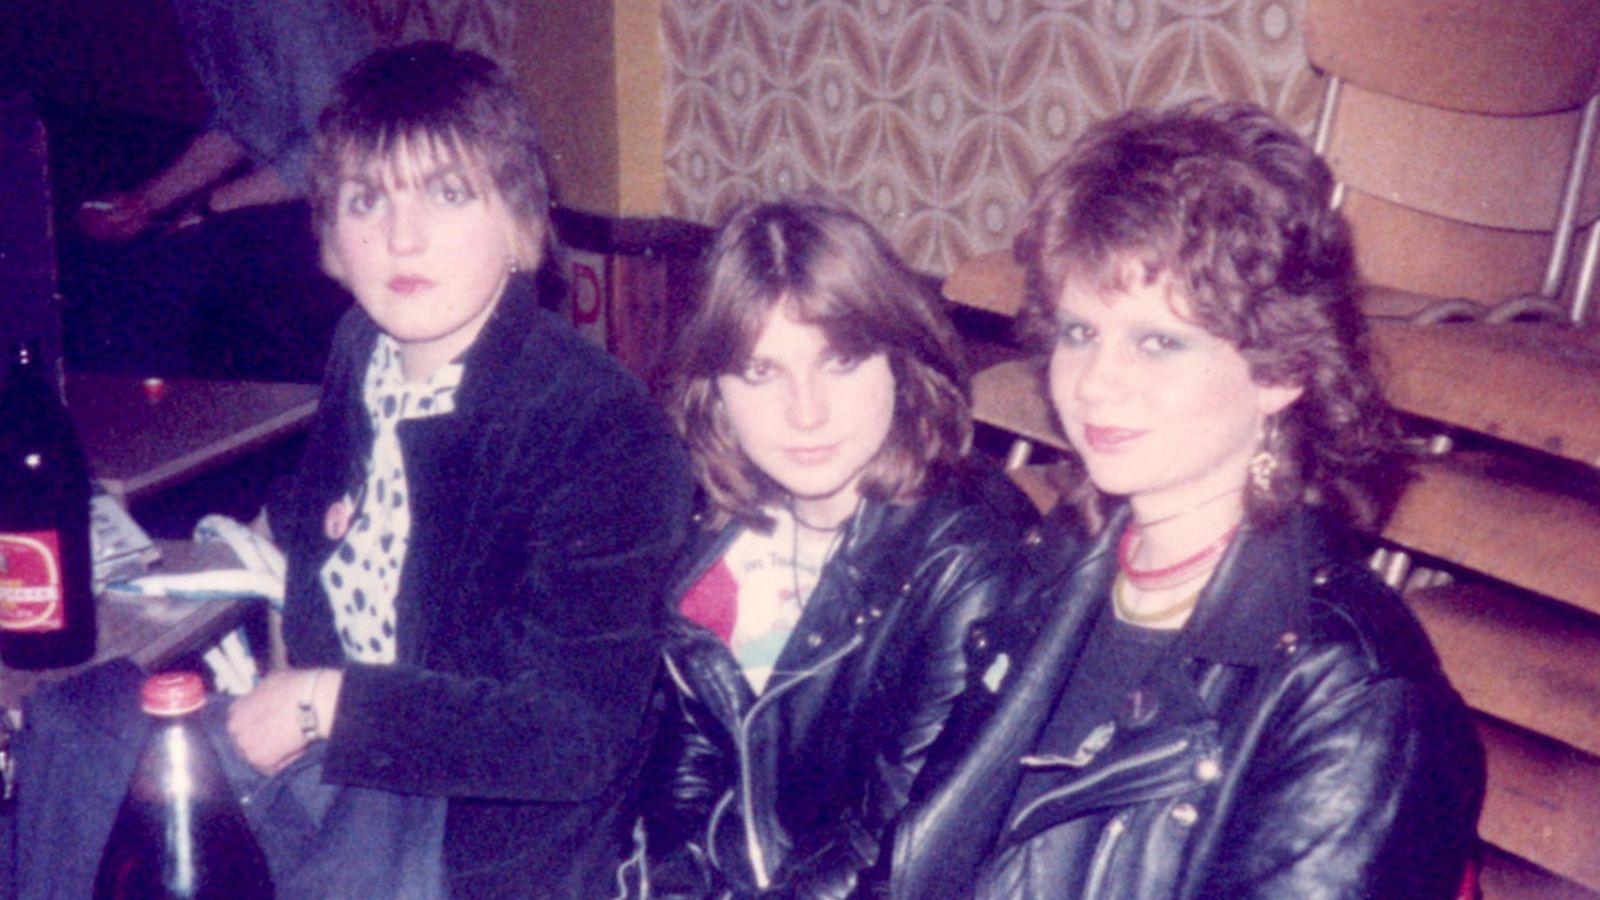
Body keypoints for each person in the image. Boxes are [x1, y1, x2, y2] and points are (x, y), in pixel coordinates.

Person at [885, 100, 1484, 898]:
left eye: (1157, 341)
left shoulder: (1359, 697)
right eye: (1078, 332)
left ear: (1281, 368)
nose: (1095, 382)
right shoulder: (1056, 570)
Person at [223, 42, 693, 896]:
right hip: (347, 783)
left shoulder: (601, 428)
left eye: (446, 192)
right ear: (330, 235)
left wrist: (321, 702)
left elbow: (573, 736)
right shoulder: (363, 347)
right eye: (367, 200)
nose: (402, 237)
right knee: (93, 730)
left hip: (478, 844)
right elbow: (332, 505)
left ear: (519, 224)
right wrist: (261, 538)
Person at [627, 201, 1038, 896]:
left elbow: (894, 848)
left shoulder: (966, 561)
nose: (806, 411)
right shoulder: (715, 530)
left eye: (839, 361)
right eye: (761, 372)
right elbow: (686, 776)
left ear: (900, 365)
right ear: (715, 393)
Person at [65, 0, 373, 380]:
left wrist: (212, 207)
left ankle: (172, 427)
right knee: (105, 258)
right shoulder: (199, 10)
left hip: (363, 202)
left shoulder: (284, 10)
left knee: (159, 272)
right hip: (304, 195)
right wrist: (146, 202)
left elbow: (337, 146)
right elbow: (241, 124)